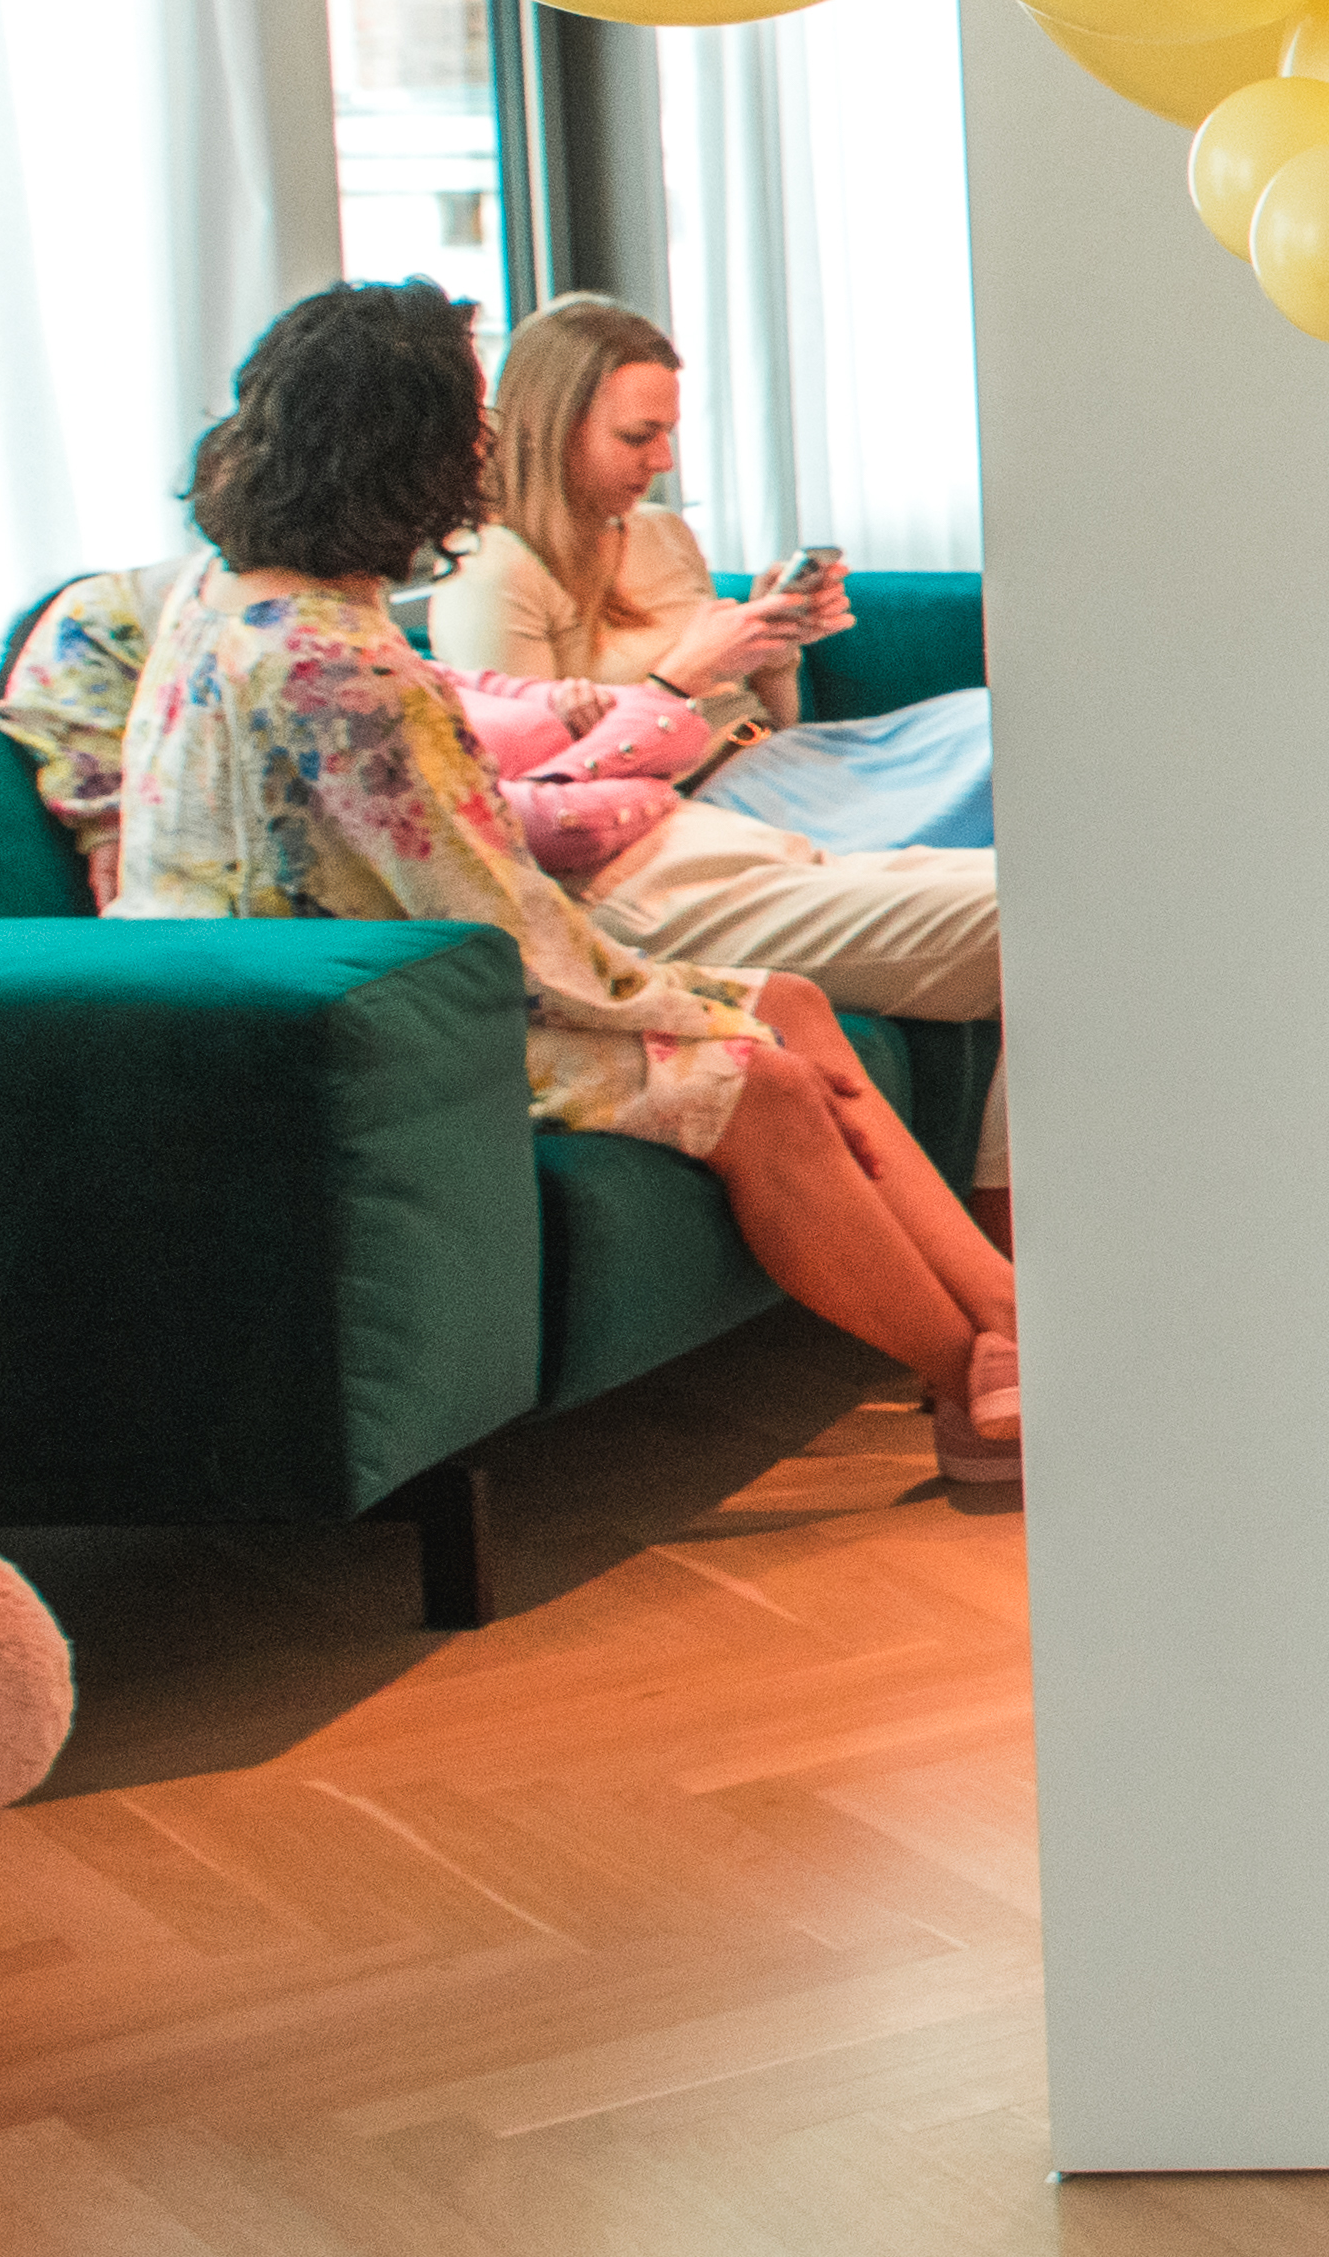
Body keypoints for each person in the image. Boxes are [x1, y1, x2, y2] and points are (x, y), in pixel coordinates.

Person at [116, 284, 1019, 1494]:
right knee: (757, 1077)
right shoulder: (341, 670)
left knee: (792, 999)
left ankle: (1011, 1319)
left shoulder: (225, 593)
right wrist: (700, 1012)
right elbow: (514, 930)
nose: (482, 450)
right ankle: (971, 1383)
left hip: (357, 972)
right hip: (372, 1018)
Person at [407, 294, 1008, 1176]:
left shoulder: (656, 533)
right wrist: (682, 673)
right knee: (1007, 799)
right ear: (552, 426)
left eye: (669, 434)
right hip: (671, 812)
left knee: (992, 722)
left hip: (772, 762)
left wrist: (771, 657)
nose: (661, 461)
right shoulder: (492, 571)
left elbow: (762, 726)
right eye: (636, 436)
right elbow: (546, 786)